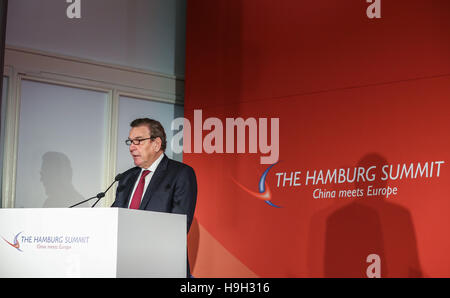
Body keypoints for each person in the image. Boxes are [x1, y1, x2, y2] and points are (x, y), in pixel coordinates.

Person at [111, 118, 197, 277]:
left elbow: (179, 226)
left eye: (138, 141)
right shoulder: (126, 177)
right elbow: (114, 218)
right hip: (125, 265)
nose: (131, 147)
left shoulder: (181, 174)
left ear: (156, 144)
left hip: (163, 266)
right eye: (130, 142)